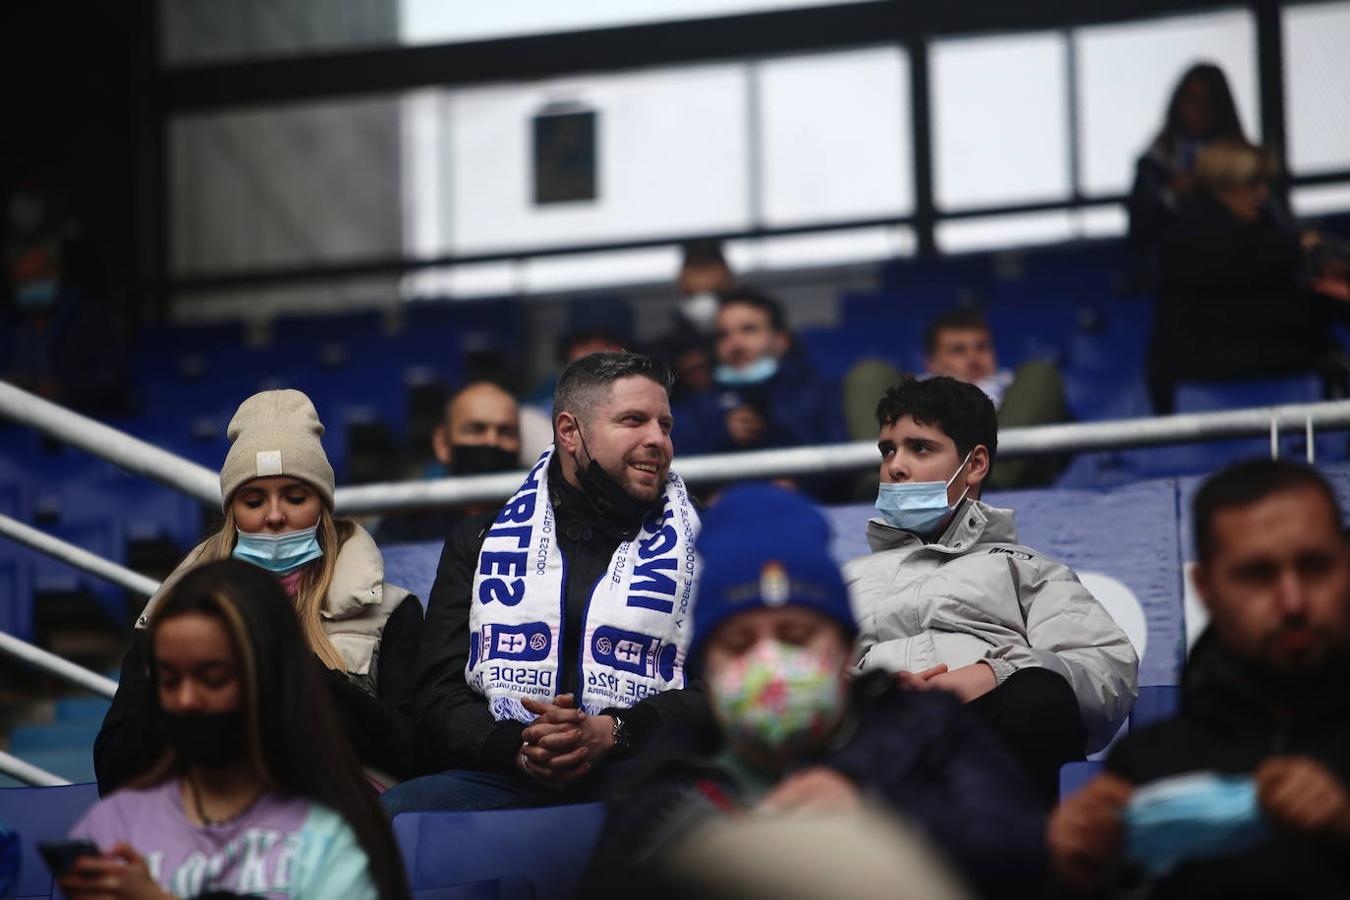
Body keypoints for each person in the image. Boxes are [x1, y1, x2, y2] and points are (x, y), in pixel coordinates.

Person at [585, 484, 1047, 900]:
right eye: (740, 645)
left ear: (846, 649)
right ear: (707, 666)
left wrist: (871, 811)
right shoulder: (665, 783)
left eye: (796, 637)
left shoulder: (924, 728)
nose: (771, 663)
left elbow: (1024, 859)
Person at [384, 351, 711, 813]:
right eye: (633, 420)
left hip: (642, 775)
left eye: (665, 425)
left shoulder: (705, 541)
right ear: (569, 432)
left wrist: (615, 731)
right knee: (396, 815)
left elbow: (721, 687)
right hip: (500, 773)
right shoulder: (478, 540)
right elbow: (438, 694)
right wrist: (518, 746)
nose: (657, 439)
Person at [1048, 460, 1350, 898]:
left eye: (1315, 566)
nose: (1293, 601)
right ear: (1205, 587)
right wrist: (1077, 876)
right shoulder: (1150, 769)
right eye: (1257, 575)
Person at [96, 389, 423, 790]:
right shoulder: (170, 616)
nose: (274, 516)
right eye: (253, 500)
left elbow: (414, 756)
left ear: (322, 506)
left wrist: (304, 673)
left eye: (295, 497)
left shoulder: (391, 611)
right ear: (232, 512)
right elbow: (114, 770)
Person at [844, 376, 1138, 800]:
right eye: (888, 450)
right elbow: (814, 674)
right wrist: (874, 692)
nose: (895, 466)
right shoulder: (848, 579)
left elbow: (1105, 670)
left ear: (975, 465)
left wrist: (994, 674)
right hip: (877, 747)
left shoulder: (1030, 570)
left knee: (1040, 693)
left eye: (920, 447)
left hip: (992, 738)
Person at [63, 560, 409, 900]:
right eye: (169, 680)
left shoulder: (333, 836)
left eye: (213, 678)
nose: (186, 700)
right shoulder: (115, 823)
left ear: (270, 679)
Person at [1146, 139, 1350, 414]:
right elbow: (1241, 263)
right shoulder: (1192, 230)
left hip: (1247, 354)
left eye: (1264, 184)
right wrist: (1297, 250)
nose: (1262, 193)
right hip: (1200, 363)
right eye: (1252, 184)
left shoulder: (1261, 227)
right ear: (1223, 186)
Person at [675, 288, 847, 463]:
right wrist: (720, 433)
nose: (735, 344)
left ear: (781, 341)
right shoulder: (698, 404)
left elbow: (840, 459)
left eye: (749, 330)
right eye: (723, 335)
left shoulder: (818, 393)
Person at [1127, 63, 1249, 291]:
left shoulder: (1242, 162)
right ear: (1178, 104)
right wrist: (1170, 195)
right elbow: (1139, 233)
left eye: (1209, 102)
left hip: (1235, 273)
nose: (1200, 111)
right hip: (1175, 276)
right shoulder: (1155, 163)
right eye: (1193, 101)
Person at [923, 308, 1070, 489]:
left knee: (1041, 373)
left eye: (981, 347)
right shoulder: (914, 392)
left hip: (1006, 485)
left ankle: (983, 476)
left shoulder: (1021, 387)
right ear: (932, 363)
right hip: (930, 484)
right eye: (958, 350)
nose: (973, 357)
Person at [377, 381, 523, 544]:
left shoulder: (545, 516)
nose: (491, 441)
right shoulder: (406, 521)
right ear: (443, 444)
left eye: (506, 432)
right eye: (475, 430)